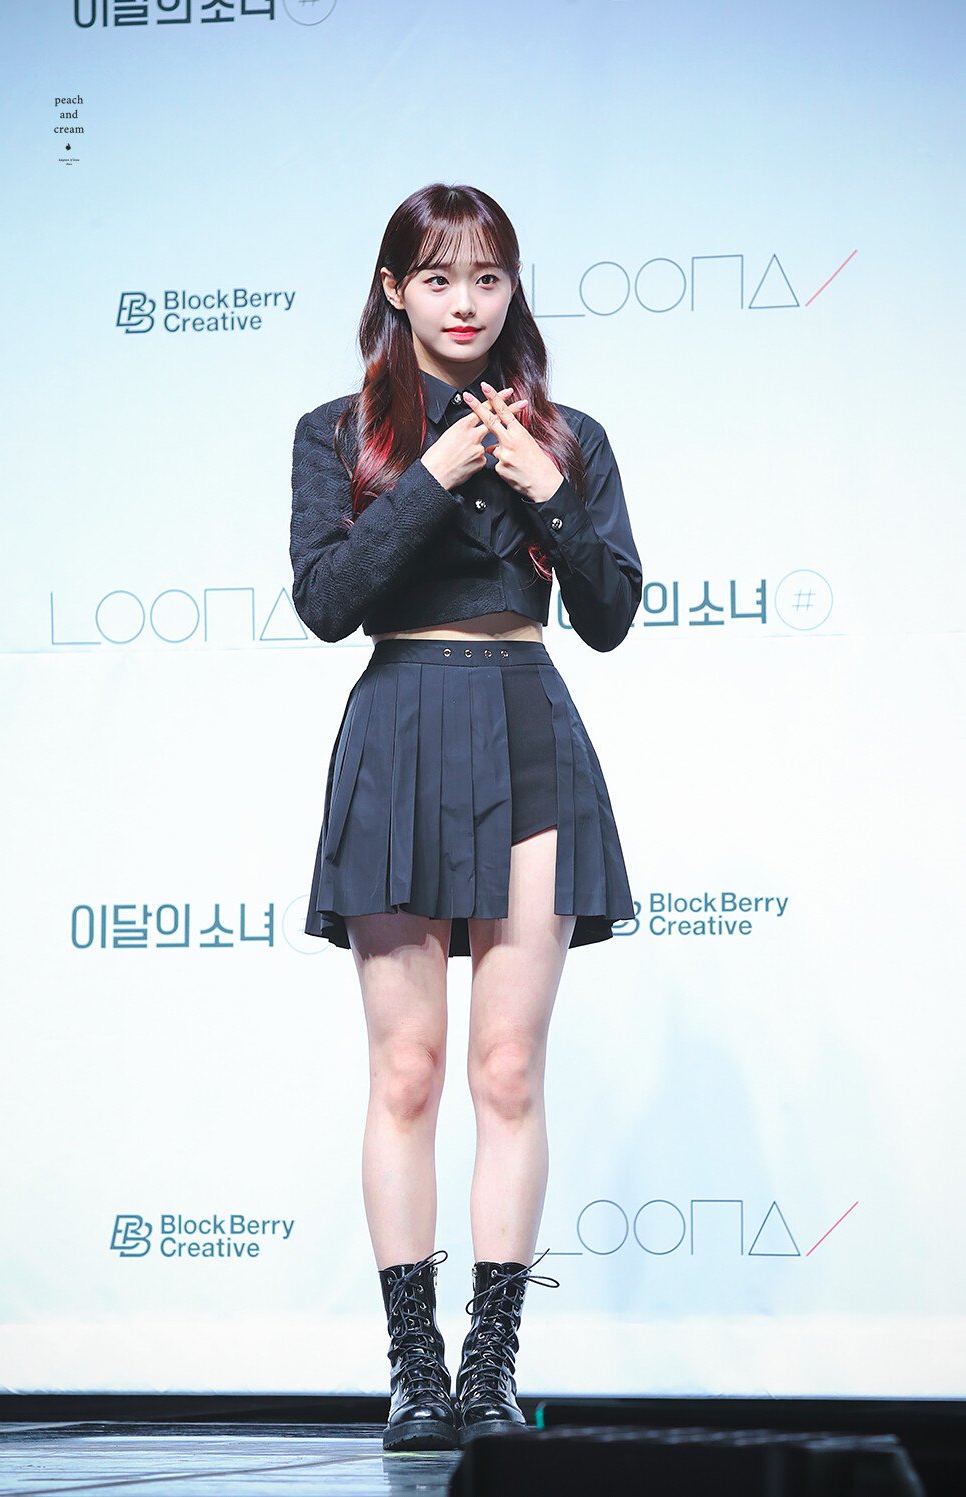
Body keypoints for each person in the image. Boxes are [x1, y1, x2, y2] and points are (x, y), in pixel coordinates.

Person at [289, 183, 643, 1452]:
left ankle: (490, 1368)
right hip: (399, 726)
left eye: (487, 278)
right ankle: (414, 1370)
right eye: (438, 278)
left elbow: (609, 616)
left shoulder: (568, 436)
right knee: (408, 1070)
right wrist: (432, 478)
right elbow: (326, 603)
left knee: (505, 1069)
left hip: (525, 722)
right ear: (395, 289)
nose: (464, 303)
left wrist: (549, 492)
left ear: (512, 289)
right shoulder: (338, 433)